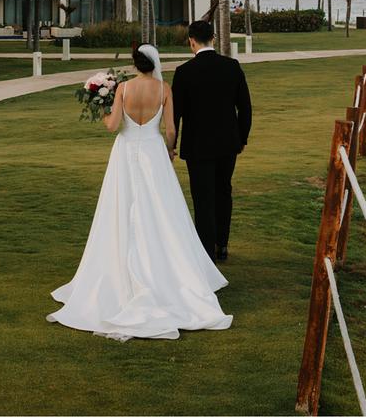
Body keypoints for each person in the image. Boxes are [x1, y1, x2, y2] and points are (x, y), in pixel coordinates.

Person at [48, 45, 231, 340]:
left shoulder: (123, 88)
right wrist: (170, 148)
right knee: (161, 210)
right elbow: (171, 128)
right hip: (153, 152)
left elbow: (112, 126)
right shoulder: (164, 89)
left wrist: (102, 106)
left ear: (134, 64)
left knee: (121, 208)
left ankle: (118, 269)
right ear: (154, 64)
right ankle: (166, 266)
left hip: (126, 151)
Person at [170, 20, 252, 263]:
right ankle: (222, 245)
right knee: (223, 191)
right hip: (228, 144)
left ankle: (205, 252)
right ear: (213, 39)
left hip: (197, 146)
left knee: (202, 197)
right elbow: (245, 108)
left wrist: (171, 144)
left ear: (191, 41)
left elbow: (176, 113)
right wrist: (242, 138)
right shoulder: (232, 66)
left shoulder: (184, 72)